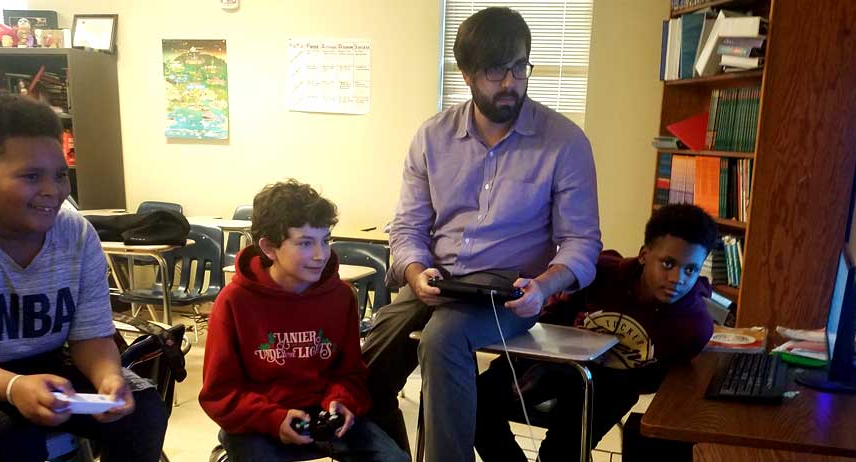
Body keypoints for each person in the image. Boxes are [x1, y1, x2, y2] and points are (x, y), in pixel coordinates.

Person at [361, 6, 601, 461]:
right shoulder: (432, 137)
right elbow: (408, 226)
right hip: (436, 279)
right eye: (496, 70)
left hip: (510, 291)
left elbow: (582, 243)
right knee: (368, 367)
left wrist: (543, 287)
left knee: (443, 339)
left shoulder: (564, 142)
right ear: (467, 74)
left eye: (519, 67)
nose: (510, 82)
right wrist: (414, 273)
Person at [0, 91, 167, 461]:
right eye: (31, 176)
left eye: (59, 175)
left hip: (48, 363)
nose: (52, 191)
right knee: (11, 437)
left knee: (144, 408)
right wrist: (13, 387)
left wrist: (108, 377)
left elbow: (91, 336)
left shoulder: (77, 234)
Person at [474, 203, 719, 461]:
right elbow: (551, 321)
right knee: (474, 402)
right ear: (644, 254)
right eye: (668, 263)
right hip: (553, 361)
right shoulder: (600, 273)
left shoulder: (694, 324)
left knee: (561, 451)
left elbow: (657, 378)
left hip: (613, 386)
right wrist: (543, 365)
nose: (677, 278)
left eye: (690, 269)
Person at [199, 179, 409, 462]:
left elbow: (349, 373)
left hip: (323, 413)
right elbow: (219, 393)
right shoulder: (234, 301)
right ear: (269, 248)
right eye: (305, 243)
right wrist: (273, 419)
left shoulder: (341, 296)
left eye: (325, 240)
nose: (321, 255)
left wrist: (341, 401)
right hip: (258, 421)